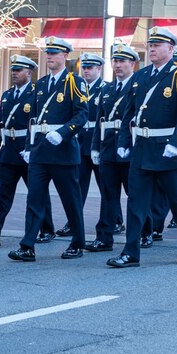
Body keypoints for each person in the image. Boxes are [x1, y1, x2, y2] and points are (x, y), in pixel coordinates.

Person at [107, 27, 177, 268]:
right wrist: (123, 143)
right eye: (150, 44)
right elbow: (129, 111)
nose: (152, 48)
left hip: (169, 149)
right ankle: (130, 253)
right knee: (136, 202)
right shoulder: (141, 76)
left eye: (158, 45)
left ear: (171, 49)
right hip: (143, 148)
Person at [8, 37, 88, 262]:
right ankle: (27, 246)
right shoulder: (41, 84)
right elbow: (32, 119)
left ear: (65, 56)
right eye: (48, 53)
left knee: (70, 200)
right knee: (35, 199)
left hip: (63, 151)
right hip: (41, 150)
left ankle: (77, 243)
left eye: (55, 53)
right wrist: (28, 147)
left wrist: (63, 133)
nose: (50, 56)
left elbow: (82, 115)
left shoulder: (74, 82)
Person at [0, 54, 56, 247]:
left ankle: (47, 228)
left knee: (37, 193)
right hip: (8, 152)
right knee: (3, 195)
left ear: (29, 73)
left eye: (19, 70)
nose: (14, 73)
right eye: (13, 70)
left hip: (28, 152)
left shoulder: (36, 94)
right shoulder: (8, 95)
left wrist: (33, 149)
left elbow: (38, 124)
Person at [87, 43, 141, 253]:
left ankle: (143, 233)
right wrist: (95, 147)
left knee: (134, 195)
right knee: (108, 195)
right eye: (115, 61)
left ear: (132, 64)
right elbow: (100, 120)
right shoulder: (107, 89)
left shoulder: (138, 87)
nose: (118, 65)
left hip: (129, 148)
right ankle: (104, 237)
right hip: (108, 148)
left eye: (122, 61)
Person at [55, 53, 107, 237]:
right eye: (84, 67)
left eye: (90, 67)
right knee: (78, 187)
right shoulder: (76, 87)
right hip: (80, 142)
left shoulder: (105, 89)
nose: (86, 70)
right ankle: (73, 222)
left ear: (99, 69)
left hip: (98, 143)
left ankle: (112, 220)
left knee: (106, 187)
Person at [150, 45, 177, 241]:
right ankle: (153, 229)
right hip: (152, 145)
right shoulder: (149, 75)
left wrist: (176, 142)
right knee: (154, 194)